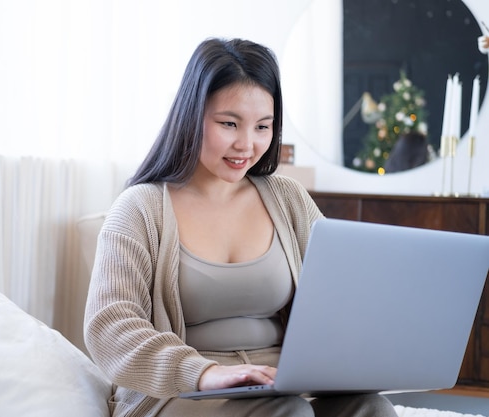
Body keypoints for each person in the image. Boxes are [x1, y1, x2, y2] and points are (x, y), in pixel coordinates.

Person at [84, 37, 398, 417]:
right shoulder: (140, 208)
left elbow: (341, 298)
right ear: (191, 115)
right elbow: (109, 327)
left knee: (370, 408)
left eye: (263, 126)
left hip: (284, 382)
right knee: (287, 414)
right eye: (229, 124)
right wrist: (206, 373)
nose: (247, 145)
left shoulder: (288, 198)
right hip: (182, 390)